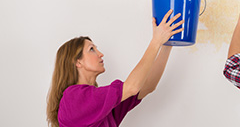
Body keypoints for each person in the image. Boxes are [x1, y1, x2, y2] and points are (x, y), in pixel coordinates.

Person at [47, 10, 184, 127]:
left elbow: (146, 86)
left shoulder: (102, 105)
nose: (100, 54)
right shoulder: (73, 98)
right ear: (77, 62)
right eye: (92, 49)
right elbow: (132, 87)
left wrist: (166, 45)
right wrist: (155, 42)